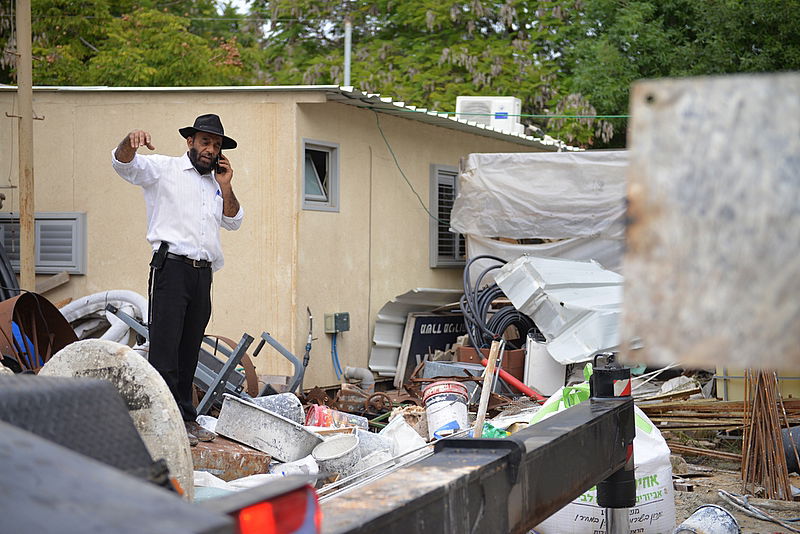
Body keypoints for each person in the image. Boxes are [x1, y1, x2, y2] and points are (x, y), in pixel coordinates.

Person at [111, 114, 243, 446]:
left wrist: (227, 185)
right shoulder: (164, 169)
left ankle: (186, 417)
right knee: (166, 348)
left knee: (189, 350)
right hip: (171, 268)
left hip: (203, 275)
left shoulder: (216, 185)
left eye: (215, 145)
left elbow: (234, 220)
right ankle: (164, 419)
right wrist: (130, 141)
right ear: (190, 142)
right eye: (204, 142)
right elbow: (123, 165)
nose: (210, 149)